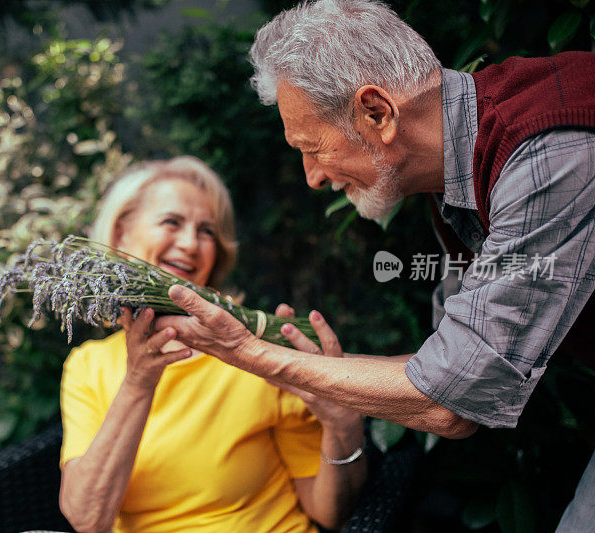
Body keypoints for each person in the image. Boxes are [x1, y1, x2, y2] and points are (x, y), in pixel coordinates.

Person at [151, 1, 595, 531]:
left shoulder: (549, 149)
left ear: (377, 112)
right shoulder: (453, 177)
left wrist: (251, 354)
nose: (312, 177)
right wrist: (331, 381)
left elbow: (451, 401)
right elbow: (451, 370)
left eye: (311, 148)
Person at [58, 156, 366, 533]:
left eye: (206, 231)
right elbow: (87, 519)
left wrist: (344, 428)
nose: (190, 244)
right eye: (172, 222)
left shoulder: (262, 349)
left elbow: (329, 513)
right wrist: (139, 382)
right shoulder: (88, 367)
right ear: (121, 234)